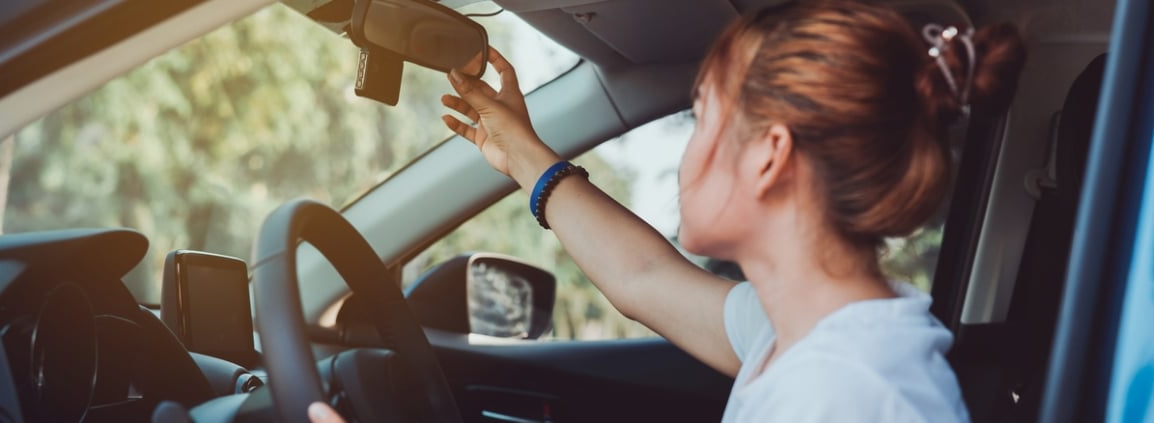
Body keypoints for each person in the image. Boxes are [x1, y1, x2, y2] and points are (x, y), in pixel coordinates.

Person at [316, 0, 1026, 421]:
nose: (686, 158)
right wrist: (523, 154)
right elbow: (645, 279)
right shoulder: (809, 336)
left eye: (700, 117)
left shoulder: (844, 392)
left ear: (769, 155)